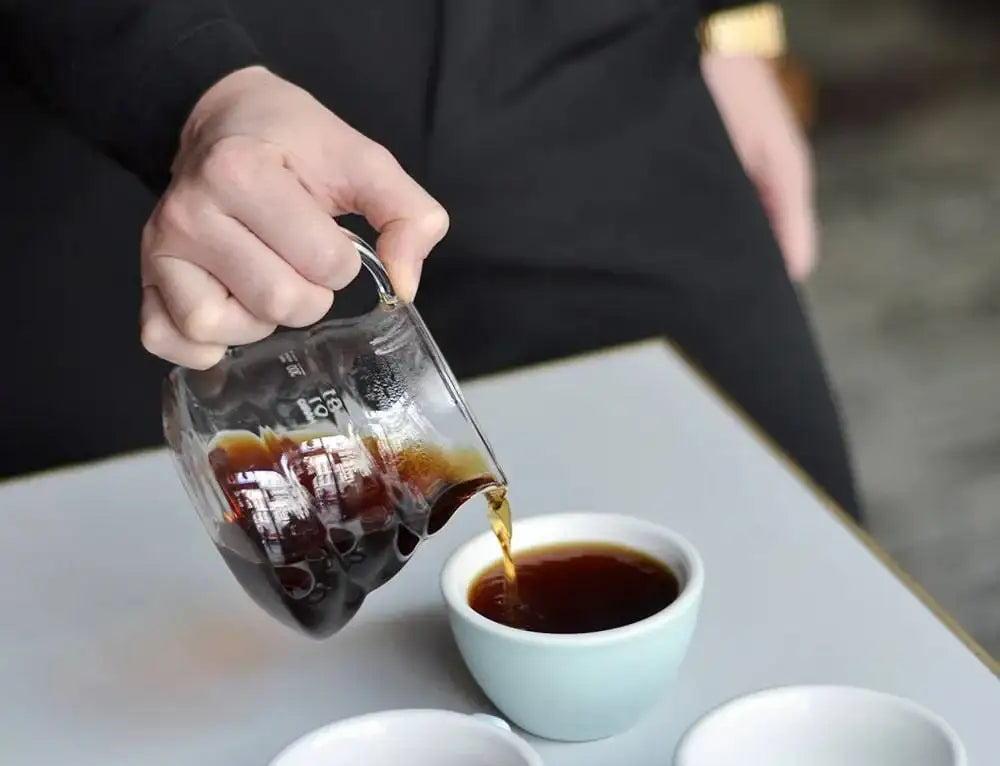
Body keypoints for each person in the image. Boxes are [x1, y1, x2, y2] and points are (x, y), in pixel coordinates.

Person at [1, 1, 860, 518]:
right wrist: (184, 88)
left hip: (589, 78)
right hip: (136, 132)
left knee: (797, 600)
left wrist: (730, 25)